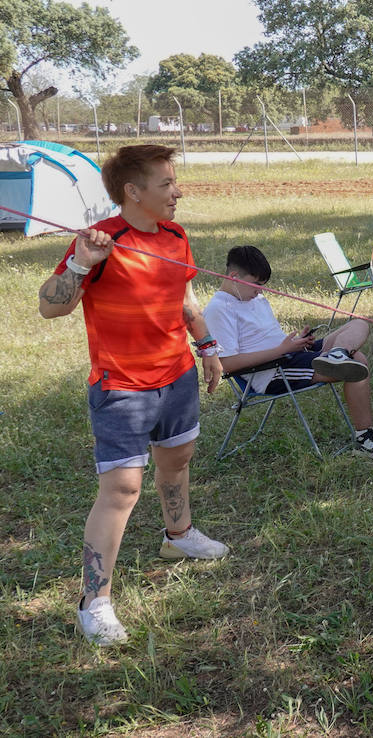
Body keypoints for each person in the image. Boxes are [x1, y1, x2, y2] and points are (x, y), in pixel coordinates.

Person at [37, 144, 228, 647]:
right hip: (121, 386)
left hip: (178, 376)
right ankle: (94, 601)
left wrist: (206, 345)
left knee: (177, 460)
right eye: (166, 184)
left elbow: (184, 297)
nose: (177, 192)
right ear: (133, 191)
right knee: (121, 490)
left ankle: (179, 537)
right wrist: (80, 265)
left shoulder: (175, 236)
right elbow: (49, 308)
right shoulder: (100, 242)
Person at [202, 245, 373, 458]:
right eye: (256, 285)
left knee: (359, 324)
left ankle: (337, 354)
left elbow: (267, 337)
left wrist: (298, 341)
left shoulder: (255, 298)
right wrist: (281, 350)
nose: (260, 291)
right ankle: (367, 440)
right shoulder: (219, 309)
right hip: (271, 371)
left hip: (288, 354)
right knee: (357, 363)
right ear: (234, 277)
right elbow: (226, 364)